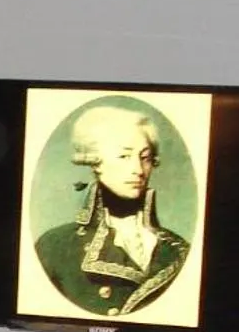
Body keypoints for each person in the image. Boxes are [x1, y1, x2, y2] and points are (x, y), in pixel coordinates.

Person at [32, 103, 190, 316]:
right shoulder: (55, 248)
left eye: (145, 158)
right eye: (124, 156)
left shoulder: (180, 251)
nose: (137, 170)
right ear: (96, 163)